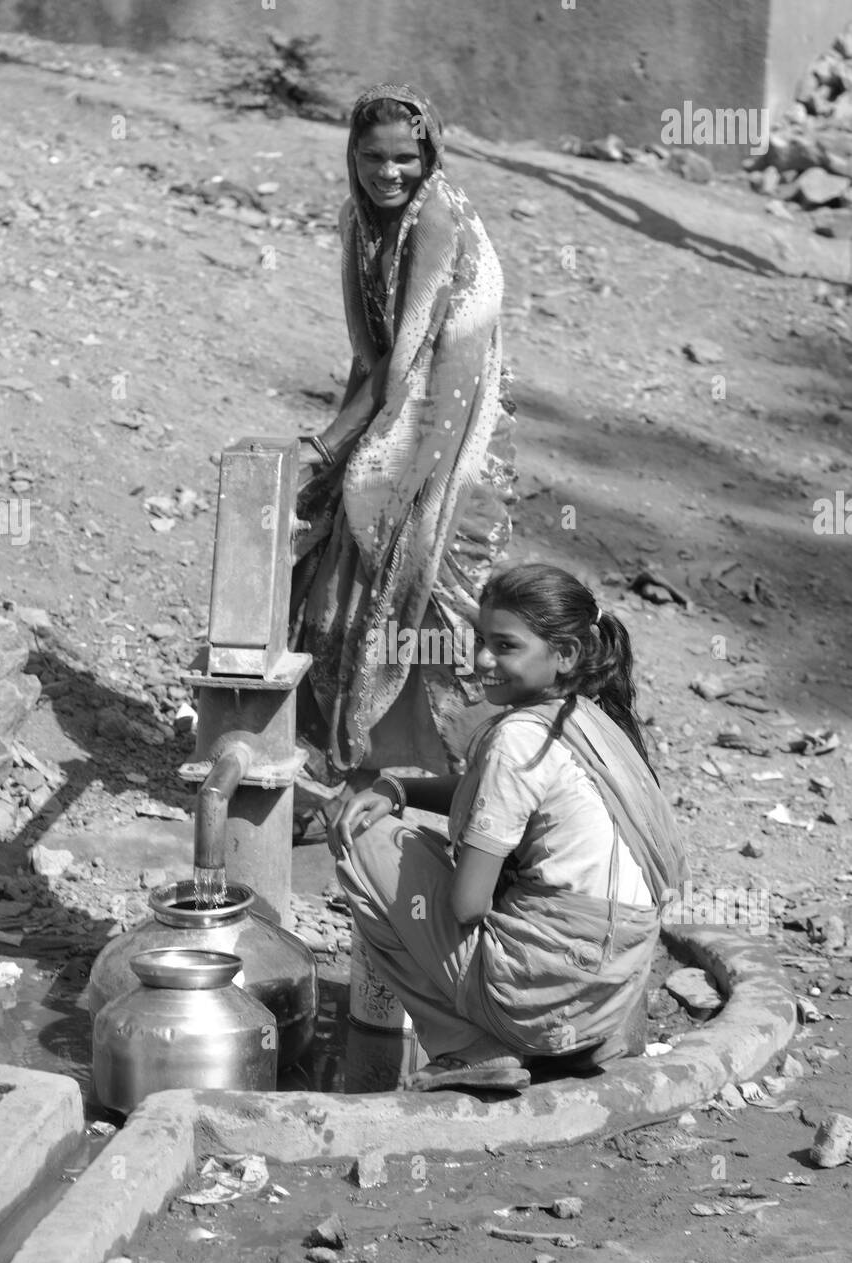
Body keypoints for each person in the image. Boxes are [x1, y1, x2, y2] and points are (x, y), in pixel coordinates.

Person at [328, 563, 689, 1094]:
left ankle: (470, 1047)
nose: (481, 660)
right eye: (479, 640)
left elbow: (468, 904)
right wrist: (399, 789)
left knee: (366, 843)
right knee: (447, 857)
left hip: (543, 993)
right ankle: (575, 1040)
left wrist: (444, 863)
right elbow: (497, 796)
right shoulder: (588, 718)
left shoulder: (518, 739)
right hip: (611, 990)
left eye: (505, 646)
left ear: (564, 655)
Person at [289, 84, 516, 831]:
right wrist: (335, 437)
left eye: (404, 158)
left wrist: (330, 445)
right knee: (340, 584)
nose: (388, 172)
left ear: (430, 157)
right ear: (350, 157)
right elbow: (376, 353)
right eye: (372, 157)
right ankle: (353, 771)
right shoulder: (363, 221)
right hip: (394, 410)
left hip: (435, 435)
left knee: (412, 591)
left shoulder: (434, 220)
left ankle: (456, 793)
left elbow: (413, 357)